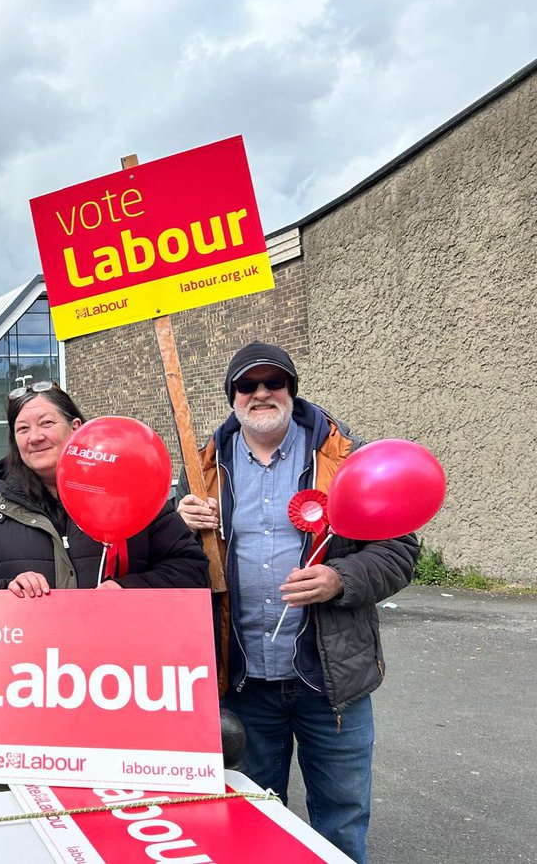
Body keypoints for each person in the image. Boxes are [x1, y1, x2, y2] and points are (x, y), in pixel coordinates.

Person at [176, 342, 418, 864]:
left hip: (330, 685)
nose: (262, 393)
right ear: (232, 397)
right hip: (242, 683)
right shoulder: (202, 470)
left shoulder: (345, 457)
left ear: (292, 390)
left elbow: (399, 548)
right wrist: (182, 525)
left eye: (274, 383)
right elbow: (176, 566)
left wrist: (340, 578)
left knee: (342, 819)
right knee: (252, 821)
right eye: (248, 385)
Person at [0, 381, 209, 596]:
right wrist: (8, 589)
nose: (35, 437)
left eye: (46, 423)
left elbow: (191, 569)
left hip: (122, 655)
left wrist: (128, 588)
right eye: (22, 429)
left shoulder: (131, 492)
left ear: (76, 428)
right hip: (38, 658)